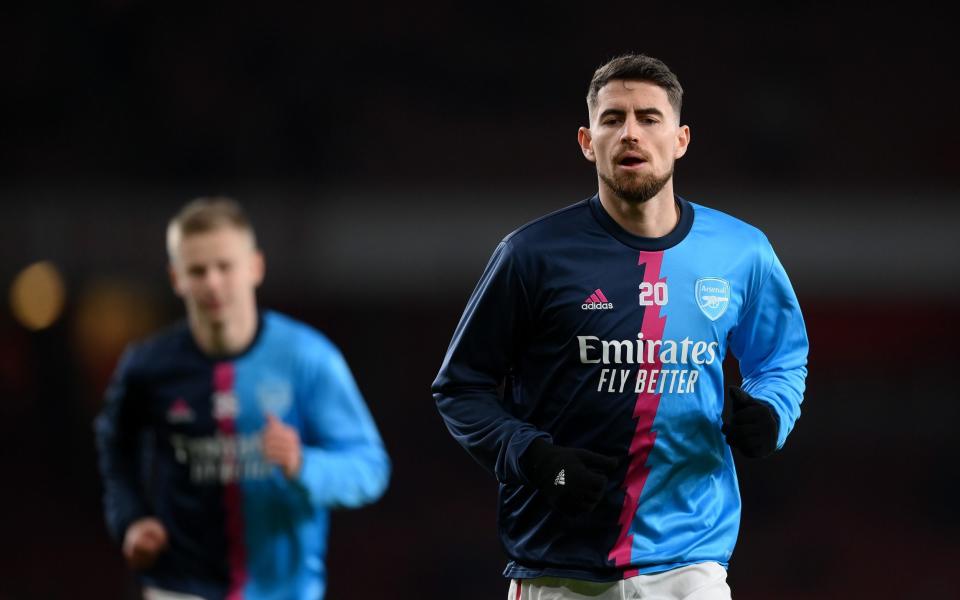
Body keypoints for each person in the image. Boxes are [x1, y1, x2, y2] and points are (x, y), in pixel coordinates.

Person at [432, 54, 808, 600]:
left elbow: (781, 357)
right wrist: (534, 458)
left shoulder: (742, 251)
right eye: (613, 119)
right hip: (556, 571)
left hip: (690, 568)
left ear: (680, 139)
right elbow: (460, 388)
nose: (630, 133)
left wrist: (772, 410)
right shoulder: (531, 256)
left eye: (648, 118)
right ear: (588, 141)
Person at [95, 197, 390, 600]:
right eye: (197, 270)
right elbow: (115, 445)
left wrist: (303, 464)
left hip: (284, 589)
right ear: (176, 278)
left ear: (255, 267)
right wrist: (131, 519)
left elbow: (370, 469)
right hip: (179, 586)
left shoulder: (308, 358)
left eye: (225, 266)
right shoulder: (147, 367)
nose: (213, 282)